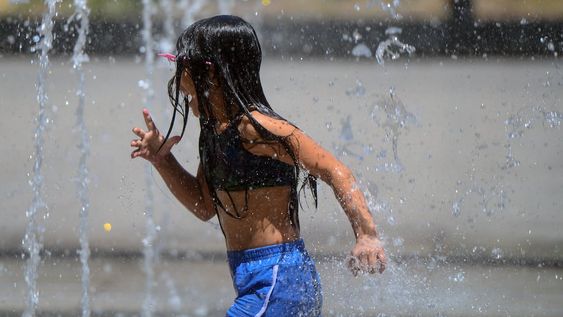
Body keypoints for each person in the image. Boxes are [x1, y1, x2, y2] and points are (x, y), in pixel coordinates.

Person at [130, 15, 386, 317]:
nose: (177, 74)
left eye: (182, 62)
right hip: (260, 281)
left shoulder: (256, 128)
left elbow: (334, 169)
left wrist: (366, 234)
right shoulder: (215, 133)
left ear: (210, 72)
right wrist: (163, 160)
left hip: (278, 279)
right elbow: (203, 205)